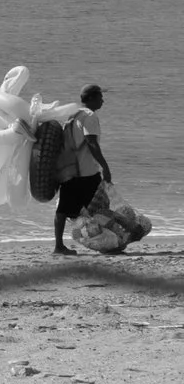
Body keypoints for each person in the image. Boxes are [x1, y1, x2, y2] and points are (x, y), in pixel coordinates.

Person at [53, 85, 113, 256]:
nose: (102, 100)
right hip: (86, 172)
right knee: (102, 206)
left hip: (69, 171)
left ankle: (59, 247)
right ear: (92, 98)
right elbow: (92, 143)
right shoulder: (90, 116)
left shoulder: (72, 116)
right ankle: (106, 244)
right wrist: (105, 167)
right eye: (100, 97)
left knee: (63, 210)